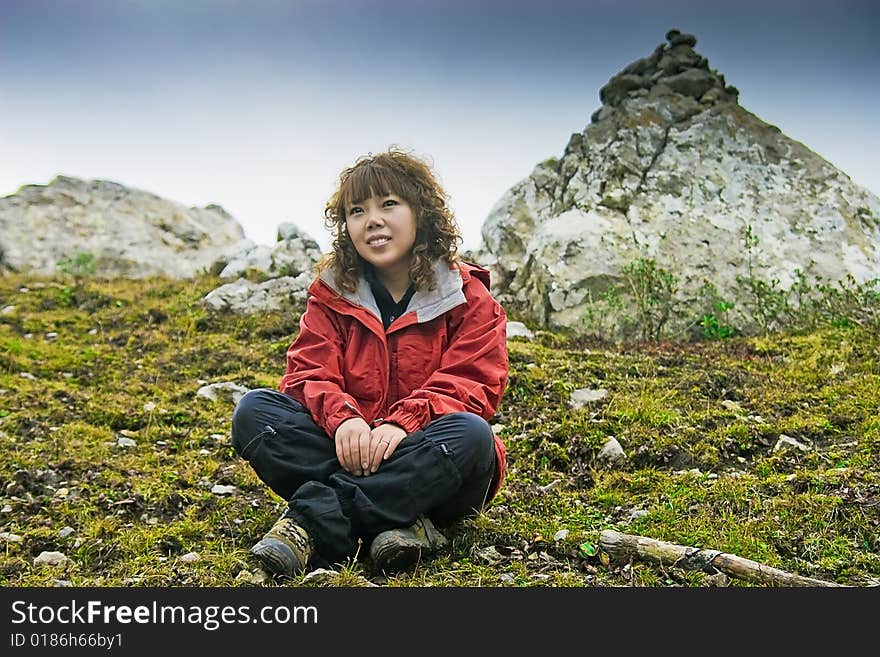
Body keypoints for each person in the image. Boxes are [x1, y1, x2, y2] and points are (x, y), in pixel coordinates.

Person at [230, 147, 509, 577]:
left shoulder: (467, 297)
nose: (373, 219)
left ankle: (312, 524)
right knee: (254, 413)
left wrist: (403, 425)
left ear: (422, 213)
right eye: (357, 210)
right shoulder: (332, 295)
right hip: (351, 450)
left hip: (429, 456)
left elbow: (473, 385)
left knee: (472, 437)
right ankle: (397, 522)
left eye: (389, 204)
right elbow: (308, 374)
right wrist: (345, 421)